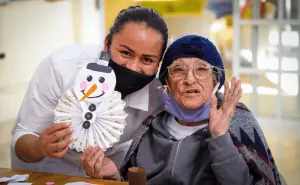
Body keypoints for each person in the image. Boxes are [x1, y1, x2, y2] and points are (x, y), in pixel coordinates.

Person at [11, 5, 168, 180]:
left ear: (158, 63)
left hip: (104, 178)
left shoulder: (157, 96)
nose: (132, 67)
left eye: (147, 59)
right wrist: (39, 147)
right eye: (125, 53)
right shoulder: (61, 67)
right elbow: (23, 135)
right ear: (107, 43)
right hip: (45, 173)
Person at [117, 35, 282, 185]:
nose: (189, 79)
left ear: (215, 80)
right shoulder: (150, 124)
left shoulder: (238, 120)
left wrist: (220, 137)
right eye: (178, 70)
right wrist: (114, 177)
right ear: (166, 82)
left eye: (202, 69)